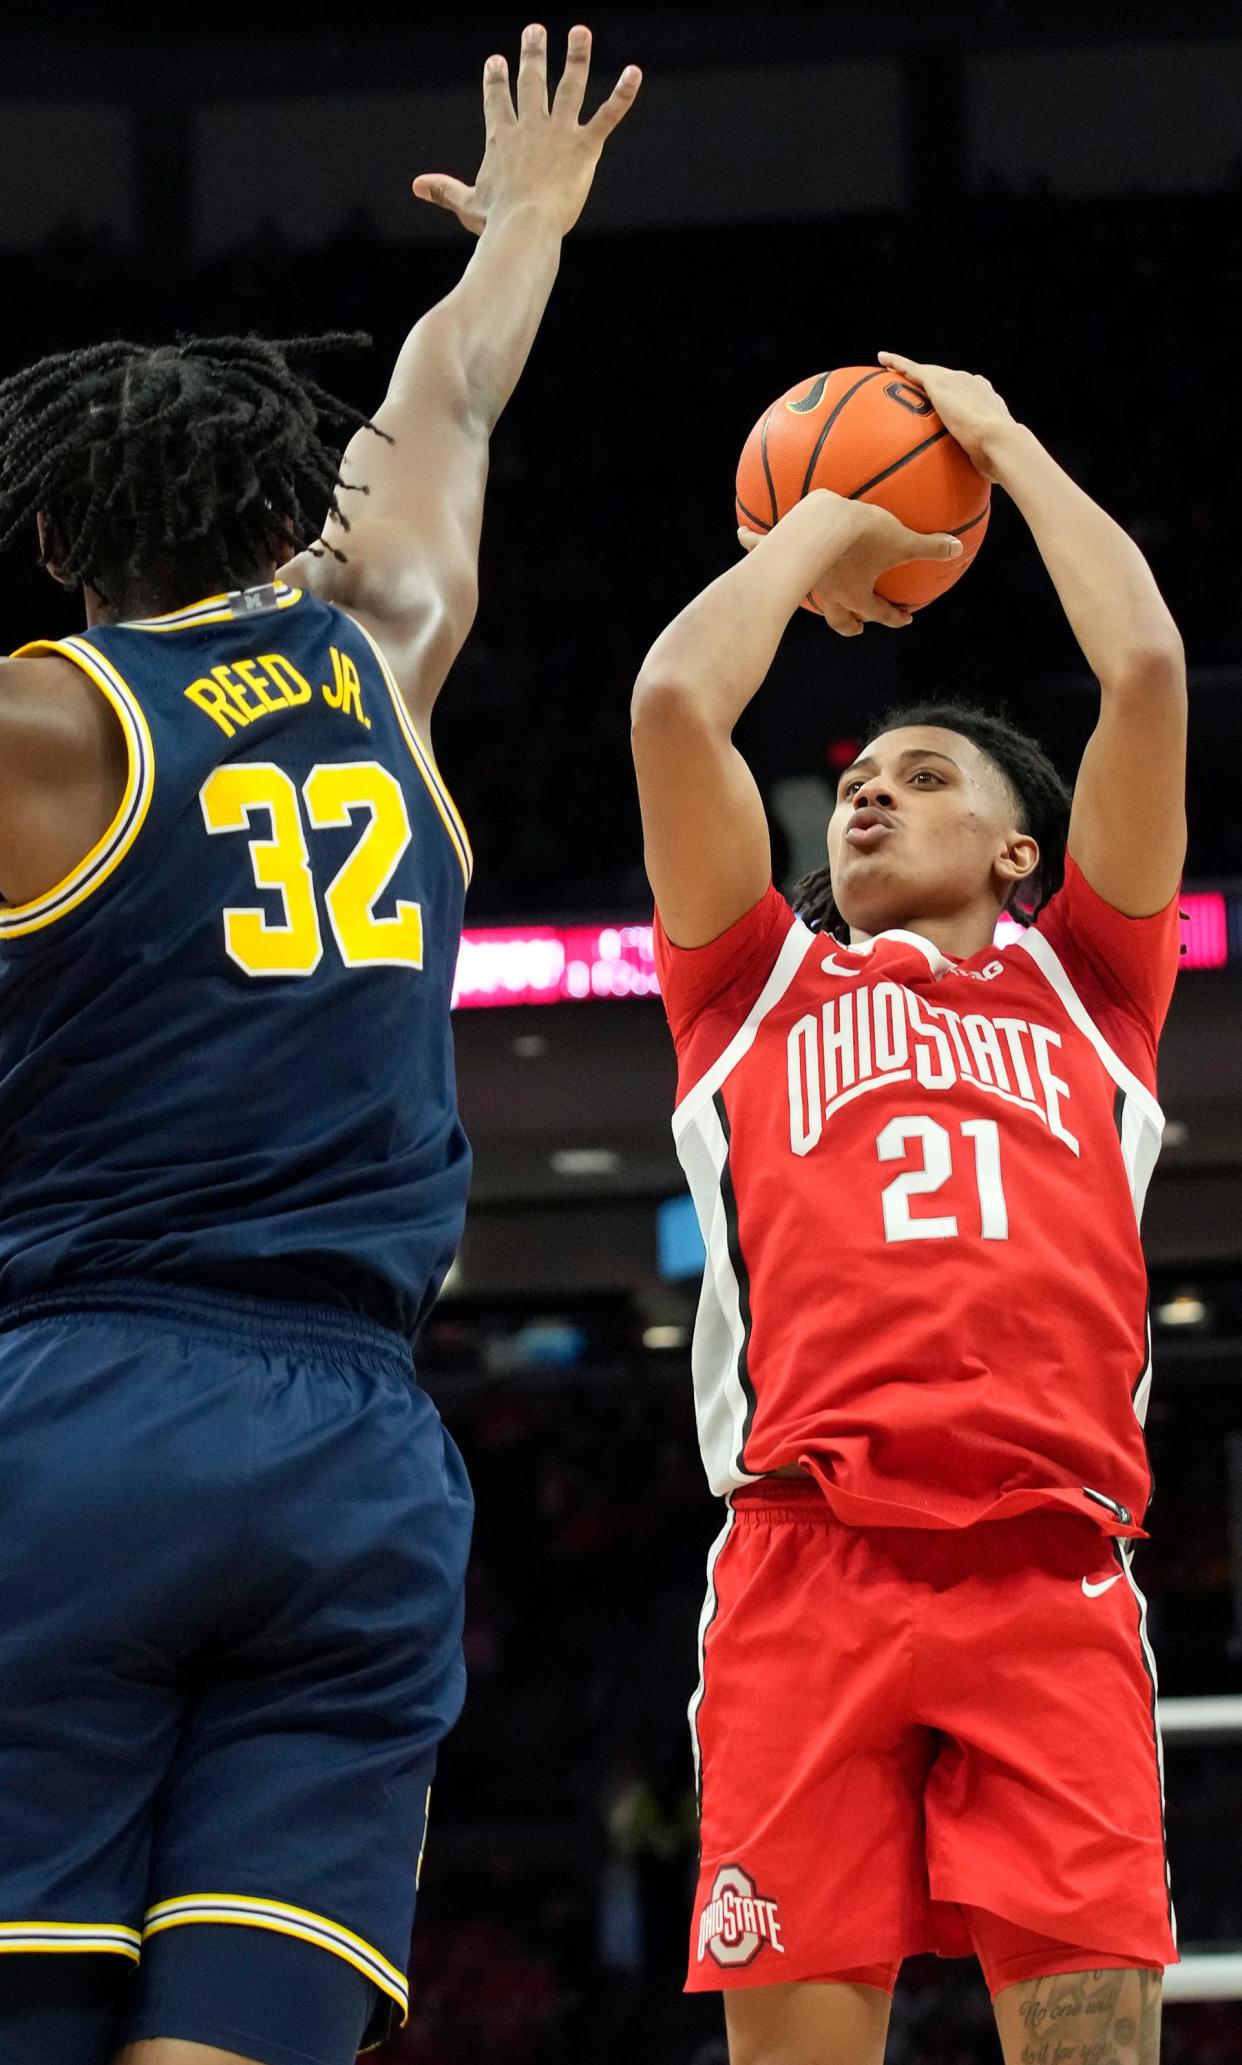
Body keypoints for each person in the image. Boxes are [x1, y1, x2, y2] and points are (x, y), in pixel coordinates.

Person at [0, 26, 639, 2065]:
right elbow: (446, 387)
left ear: (54, 545)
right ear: (282, 505)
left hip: (82, 1402)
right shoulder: (386, 651)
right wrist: (526, 222)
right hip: (362, 1450)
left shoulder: (44, 728)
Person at [631, 352, 1186, 2065]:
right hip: (810, 1561)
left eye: (930, 773)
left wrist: (1001, 445)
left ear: (1026, 850)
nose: (872, 788)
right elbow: (671, 705)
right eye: (862, 773)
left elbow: (1146, 664)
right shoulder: (751, 987)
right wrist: (816, 531)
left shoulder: (1088, 987)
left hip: (1048, 1564)